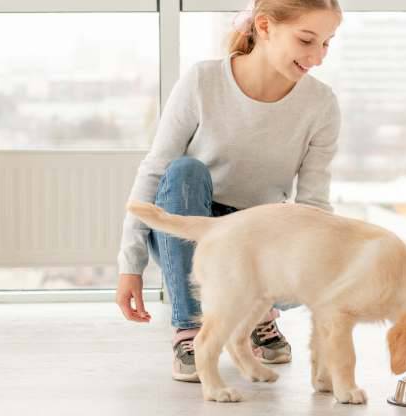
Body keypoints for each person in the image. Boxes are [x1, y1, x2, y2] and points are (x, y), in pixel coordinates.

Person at [115, 0, 343, 383]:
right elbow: (155, 171)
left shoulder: (321, 104)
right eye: (307, 40)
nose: (317, 57)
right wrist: (130, 265)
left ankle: (255, 313)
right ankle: (191, 329)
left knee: (319, 248)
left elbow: (313, 203)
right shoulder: (203, 81)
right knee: (184, 169)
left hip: (259, 240)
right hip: (190, 234)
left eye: (326, 43)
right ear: (265, 27)